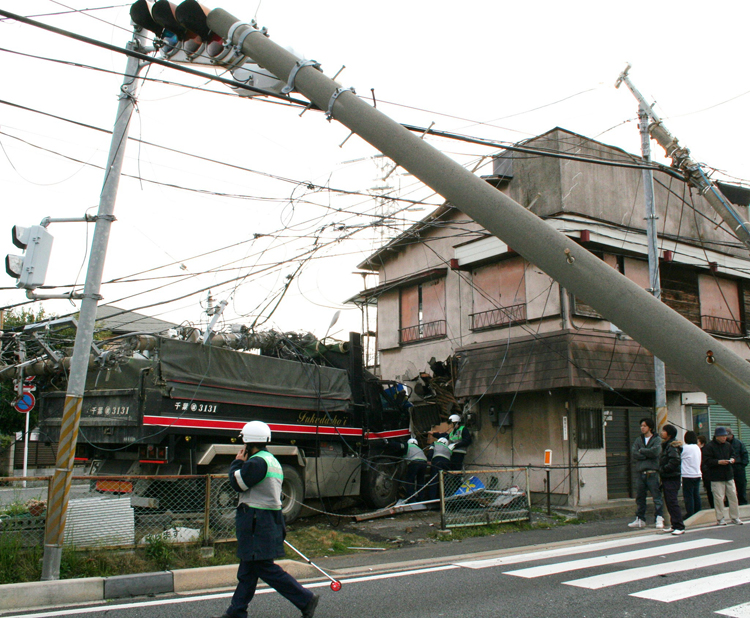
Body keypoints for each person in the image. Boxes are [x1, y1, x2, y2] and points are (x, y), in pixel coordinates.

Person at [215, 421, 319, 618]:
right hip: (265, 520)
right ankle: (236, 612)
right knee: (248, 570)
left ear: (248, 442)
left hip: (256, 521)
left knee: (263, 568)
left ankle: (305, 599)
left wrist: (237, 463)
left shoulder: (256, 463)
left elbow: (238, 484)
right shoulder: (270, 459)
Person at [702, 426, 743, 526]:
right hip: (716, 476)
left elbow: (733, 454)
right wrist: (718, 462)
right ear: (717, 436)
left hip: (728, 475)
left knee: (733, 496)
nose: (725, 437)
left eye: (725, 436)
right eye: (723, 436)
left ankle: (735, 517)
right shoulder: (709, 446)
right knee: (719, 498)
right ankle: (720, 518)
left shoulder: (728, 445)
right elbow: (706, 461)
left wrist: (732, 459)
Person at [629, 418, 664, 529]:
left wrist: (642, 451)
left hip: (652, 472)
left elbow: (655, 452)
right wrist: (646, 454)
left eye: (644, 426)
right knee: (640, 497)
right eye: (641, 426)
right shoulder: (639, 440)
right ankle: (640, 518)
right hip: (640, 472)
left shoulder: (657, 439)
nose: (642, 428)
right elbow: (634, 453)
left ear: (650, 427)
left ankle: (659, 517)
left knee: (656, 496)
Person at [659, 424, 685, 535]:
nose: (661, 433)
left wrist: (664, 469)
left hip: (672, 477)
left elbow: (674, 461)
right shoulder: (667, 445)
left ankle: (679, 526)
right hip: (668, 477)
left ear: (669, 434)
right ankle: (674, 525)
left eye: (664, 431)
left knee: (672, 502)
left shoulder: (672, 446)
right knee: (669, 502)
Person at [395, 438, 428, 504]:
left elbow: (400, 448)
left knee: (410, 481)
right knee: (420, 481)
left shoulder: (408, 445)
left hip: (414, 463)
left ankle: (411, 499)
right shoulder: (419, 448)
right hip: (424, 463)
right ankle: (421, 498)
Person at [681, 431, 702, 518]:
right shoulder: (697, 448)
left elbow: (680, 457)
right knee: (696, 494)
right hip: (697, 474)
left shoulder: (685, 448)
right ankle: (698, 512)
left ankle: (690, 513)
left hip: (687, 475)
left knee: (688, 496)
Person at [726, 428, 749, 505]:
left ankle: (742, 502)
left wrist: (742, 464)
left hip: (738, 467)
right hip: (728, 467)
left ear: (732, 435)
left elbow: (744, 454)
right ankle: (730, 503)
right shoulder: (724, 444)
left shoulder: (738, 443)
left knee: (741, 486)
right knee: (729, 487)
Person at [697, 435, 714, 509]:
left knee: (711, 492)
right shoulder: (698, 450)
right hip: (706, 474)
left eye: (697, 442)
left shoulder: (704, 451)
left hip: (708, 474)